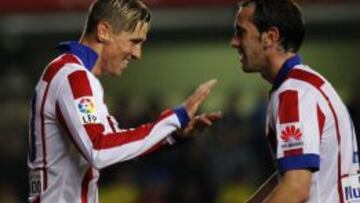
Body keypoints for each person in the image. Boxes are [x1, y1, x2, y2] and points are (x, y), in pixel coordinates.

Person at [27, 0, 222, 202]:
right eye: (134, 41)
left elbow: (116, 144)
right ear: (104, 31)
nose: (138, 54)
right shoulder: (73, 77)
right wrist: (177, 116)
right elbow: (99, 149)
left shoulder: (72, 74)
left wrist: (172, 136)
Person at [231, 0, 359, 202]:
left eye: (241, 32)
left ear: (270, 37)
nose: (234, 42)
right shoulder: (300, 86)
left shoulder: (295, 93)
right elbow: (287, 177)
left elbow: (296, 188)